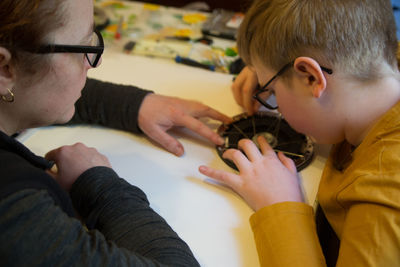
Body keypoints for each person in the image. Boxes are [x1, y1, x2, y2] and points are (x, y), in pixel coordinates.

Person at [0, 0, 231, 265]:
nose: (91, 65)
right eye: (83, 47)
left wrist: (133, 105)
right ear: (5, 68)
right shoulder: (12, 213)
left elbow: (31, 91)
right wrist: (97, 185)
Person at [199, 0, 400, 266]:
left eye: (271, 92)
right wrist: (267, 64)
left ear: (311, 78)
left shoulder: (383, 200)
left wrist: (279, 205)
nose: (271, 100)